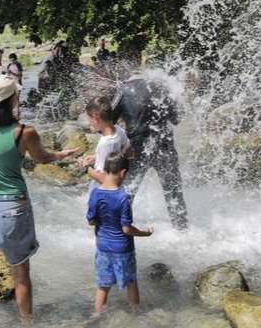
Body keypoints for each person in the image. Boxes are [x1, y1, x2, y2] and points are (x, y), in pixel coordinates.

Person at [0, 75, 78, 327]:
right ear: (11, 100)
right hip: (12, 209)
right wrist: (61, 154)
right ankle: (27, 323)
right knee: (20, 274)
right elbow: (42, 158)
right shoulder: (24, 132)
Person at [112, 73, 188, 230]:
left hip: (136, 149)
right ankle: (182, 230)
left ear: (128, 79)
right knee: (174, 192)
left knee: (128, 190)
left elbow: (109, 118)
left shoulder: (123, 90)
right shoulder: (163, 87)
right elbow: (177, 118)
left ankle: (118, 229)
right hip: (164, 146)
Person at [86, 152, 153, 318]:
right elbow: (126, 229)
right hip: (123, 249)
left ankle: (97, 314)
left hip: (102, 247)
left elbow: (91, 221)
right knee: (131, 282)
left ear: (106, 169)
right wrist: (144, 233)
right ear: (123, 173)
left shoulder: (95, 194)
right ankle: (136, 313)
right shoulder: (123, 198)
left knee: (103, 285)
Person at [77, 97, 134, 196]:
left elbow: (105, 180)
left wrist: (86, 168)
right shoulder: (118, 130)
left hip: (103, 196)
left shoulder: (106, 143)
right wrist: (98, 157)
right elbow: (130, 154)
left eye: (88, 119)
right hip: (116, 192)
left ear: (95, 117)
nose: (89, 122)